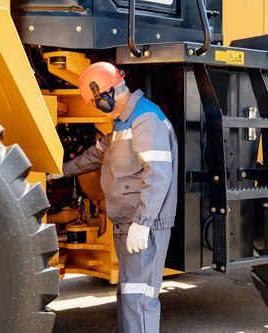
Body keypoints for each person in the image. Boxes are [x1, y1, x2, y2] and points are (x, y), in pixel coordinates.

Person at [47, 62, 178, 333]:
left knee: (139, 298)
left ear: (106, 95)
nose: (97, 107)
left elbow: (158, 175)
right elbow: (95, 155)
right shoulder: (123, 124)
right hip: (127, 223)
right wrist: (57, 172)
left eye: (96, 101)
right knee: (128, 295)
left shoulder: (145, 119)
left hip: (143, 225)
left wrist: (143, 223)